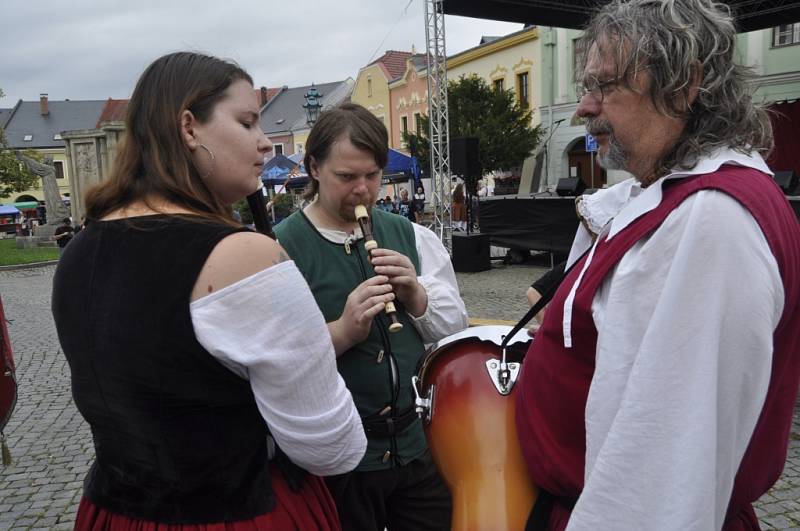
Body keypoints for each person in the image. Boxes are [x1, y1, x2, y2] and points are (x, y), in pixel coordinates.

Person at [51, 52, 366, 530]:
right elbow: (332, 446)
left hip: (113, 513)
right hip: (236, 514)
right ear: (189, 127)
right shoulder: (242, 256)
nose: (264, 144)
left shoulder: (78, 250)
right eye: (246, 122)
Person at [515, 1, 800, 530]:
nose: (584, 108)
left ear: (683, 86)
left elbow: (661, 470)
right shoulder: (677, 198)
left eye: (605, 87)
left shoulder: (714, 219)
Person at [274, 102, 468, 531]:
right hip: (339, 466)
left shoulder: (411, 235)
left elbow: (454, 329)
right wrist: (343, 332)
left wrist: (416, 294)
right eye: (347, 177)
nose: (363, 190)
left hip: (416, 448)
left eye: (373, 176)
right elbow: (276, 360)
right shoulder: (279, 249)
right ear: (315, 168)